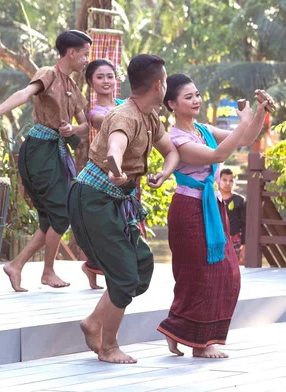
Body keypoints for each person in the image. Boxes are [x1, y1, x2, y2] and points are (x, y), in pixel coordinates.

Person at [68, 54, 179, 364]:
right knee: (123, 274)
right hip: (92, 199)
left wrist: (164, 172)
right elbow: (115, 145)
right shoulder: (124, 116)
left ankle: (93, 322)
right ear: (159, 85)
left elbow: (170, 151)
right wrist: (115, 167)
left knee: (141, 265)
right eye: (166, 80)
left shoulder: (151, 117)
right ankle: (108, 345)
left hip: (115, 201)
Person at [157, 73, 271, 359]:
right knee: (199, 274)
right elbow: (217, 155)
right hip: (189, 209)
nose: (196, 100)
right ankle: (200, 343)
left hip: (212, 208)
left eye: (197, 94)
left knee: (229, 274)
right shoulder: (176, 139)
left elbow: (244, 139)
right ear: (172, 104)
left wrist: (259, 113)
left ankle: (177, 331)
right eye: (188, 97)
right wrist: (243, 121)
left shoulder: (202, 130)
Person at [0, 30, 91, 292]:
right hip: (40, 150)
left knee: (51, 217)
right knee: (61, 213)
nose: (87, 60)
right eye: (85, 54)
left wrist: (73, 131)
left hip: (55, 151)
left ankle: (16, 265)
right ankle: (48, 271)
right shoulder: (48, 73)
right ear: (71, 52)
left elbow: (86, 125)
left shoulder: (73, 86)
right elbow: (24, 93)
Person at [80, 59, 124, 290]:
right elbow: (112, 123)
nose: (106, 81)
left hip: (126, 173)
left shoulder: (124, 104)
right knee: (106, 227)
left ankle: (108, 272)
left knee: (124, 224)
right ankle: (95, 269)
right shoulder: (95, 113)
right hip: (103, 174)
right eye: (100, 77)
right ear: (90, 82)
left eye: (110, 76)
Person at [218, 168, 247, 265]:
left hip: (235, 240)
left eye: (231, 180)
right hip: (217, 239)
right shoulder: (213, 199)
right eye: (224, 180)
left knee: (236, 268)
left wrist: (244, 246)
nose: (227, 183)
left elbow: (245, 224)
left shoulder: (239, 200)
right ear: (219, 180)